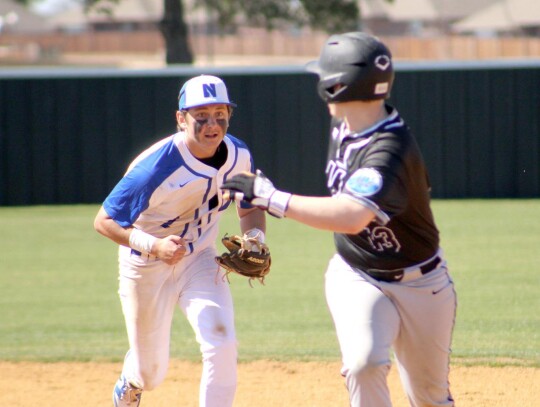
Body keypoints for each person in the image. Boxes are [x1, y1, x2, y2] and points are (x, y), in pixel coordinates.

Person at [221, 32, 457, 406]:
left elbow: (352, 216)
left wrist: (271, 197)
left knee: (430, 398)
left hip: (421, 282)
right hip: (356, 272)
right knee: (364, 364)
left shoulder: (388, 150)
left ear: (337, 86)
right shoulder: (348, 124)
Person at [94, 74, 266, 407]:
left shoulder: (239, 155)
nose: (212, 123)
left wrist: (255, 238)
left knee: (222, 341)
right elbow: (103, 221)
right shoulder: (154, 168)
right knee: (150, 373)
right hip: (145, 264)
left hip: (200, 257)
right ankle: (130, 382)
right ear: (181, 118)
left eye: (220, 113)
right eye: (201, 115)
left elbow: (249, 207)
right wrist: (154, 246)